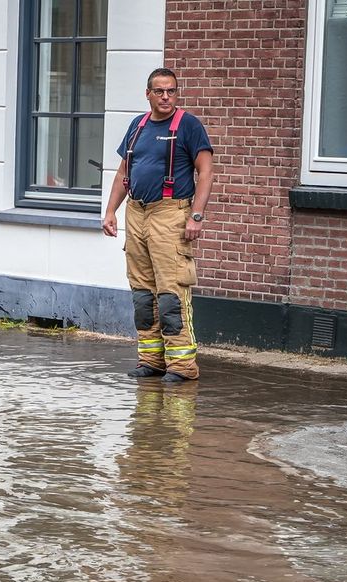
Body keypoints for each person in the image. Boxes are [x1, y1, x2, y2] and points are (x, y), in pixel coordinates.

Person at [103, 68, 214, 382]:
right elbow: (124, 173)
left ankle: (181, 366)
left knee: (171, 293)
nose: (166, 97)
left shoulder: (188, 126)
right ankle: (151, 361)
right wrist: (111, 211)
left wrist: (196, 215)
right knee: (142, 294)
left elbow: (206, 173)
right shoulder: (137, 126)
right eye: (160, 91)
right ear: (148, 94)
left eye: (172, 91)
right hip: (136, 213)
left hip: (170, 214)